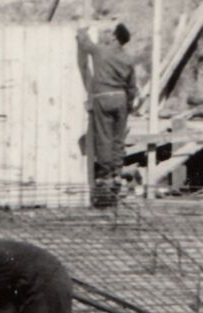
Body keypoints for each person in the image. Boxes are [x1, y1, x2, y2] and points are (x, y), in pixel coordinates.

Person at [77, 23, 137, 208]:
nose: (107, 35)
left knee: (104, 139)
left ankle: (104, 179)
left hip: (103, 98)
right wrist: (128, 106)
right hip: (121, 99)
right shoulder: (128, 59)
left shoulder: (101, 52)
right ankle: (117, 175)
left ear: (115, 37)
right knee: (118, 141)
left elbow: (85, 45)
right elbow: (132, 87)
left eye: (110, 33)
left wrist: (81, 30)